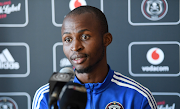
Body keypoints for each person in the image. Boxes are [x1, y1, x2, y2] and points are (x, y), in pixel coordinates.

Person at [32, 5, 157, 109]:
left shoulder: (138, 97)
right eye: (68, 39)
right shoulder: (47, 96)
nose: (75, 47)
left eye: (85, 37)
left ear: (106, 40)